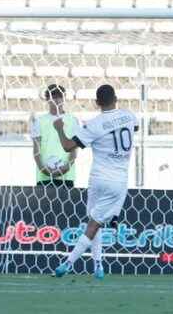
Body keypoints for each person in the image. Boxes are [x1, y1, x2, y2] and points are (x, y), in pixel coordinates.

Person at [52, 85, 139, 280]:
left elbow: (67, 146)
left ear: (97, 103)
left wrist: (59, 129)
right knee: (94, 223)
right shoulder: (129, 116)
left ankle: (81, 264)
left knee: (92, 222)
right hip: (118, 180)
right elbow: (134, 127)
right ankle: (88, 263)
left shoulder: (95, 124)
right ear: (116, 98)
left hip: (98, 179)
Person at [31, 84, 78, 188]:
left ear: (64, 98)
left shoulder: (72, 120)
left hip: (66, 176)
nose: (57, 100)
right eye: (53, 97)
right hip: (45, 176)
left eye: (59, 96)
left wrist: (66, 167)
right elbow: (36, 151)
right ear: (47, 99)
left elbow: (74, 150)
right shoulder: (39, 121)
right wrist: (43, 169)